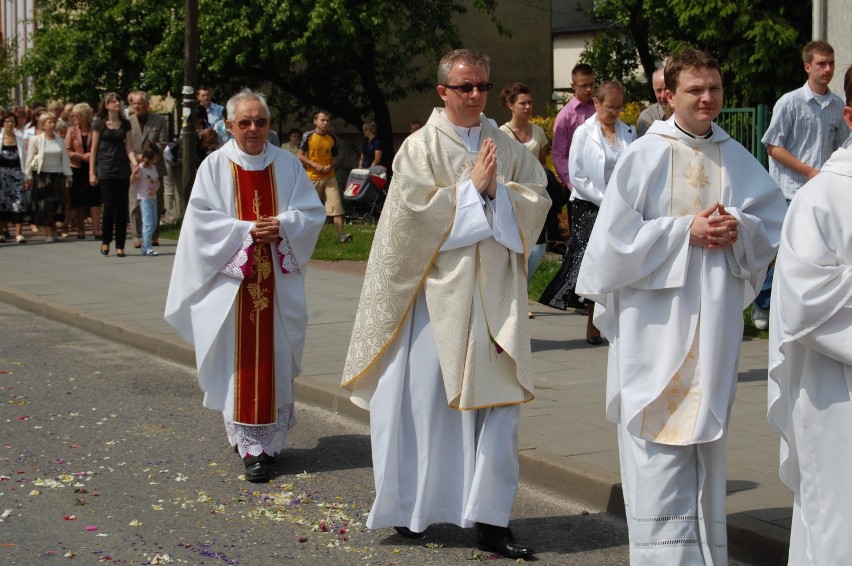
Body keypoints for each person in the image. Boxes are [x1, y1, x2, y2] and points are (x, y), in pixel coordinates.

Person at [575, 49, 786, 565]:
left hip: (712, 329)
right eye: (696, 89)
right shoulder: (645, 154)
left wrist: (740, 227)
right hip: (655, 330)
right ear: (669, 94)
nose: (708, 98)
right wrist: (683, 231)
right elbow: (610, 248)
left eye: (714, 87)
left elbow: (771, 223)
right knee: (658, 455)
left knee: (703, 452)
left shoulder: (734, 154)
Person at [342, 49, 550, 560]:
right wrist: (469, 193)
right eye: (465, 87)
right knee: (424, 408)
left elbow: (538, 195)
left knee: (499, 412)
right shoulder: (419, 148)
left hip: (496, 299)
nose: (475, 95)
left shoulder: (505, 143)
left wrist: (494, 194)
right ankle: (414, 510)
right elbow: (408, 225)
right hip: (436, 301)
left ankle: (492, 522)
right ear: (443, 92)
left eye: (481, 85)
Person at [165, 89, 325, 483]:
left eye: (261, 122)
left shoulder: (287, 164)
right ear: (230, 125)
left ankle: (269, 443)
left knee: (276, 356)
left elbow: (311, 213)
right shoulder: (215, 166)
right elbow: (200, 223)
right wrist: (248, 231)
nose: (254, 129)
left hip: (278, 284)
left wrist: (284, 225)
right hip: (233, 286)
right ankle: (252, 448)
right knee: (243, 362)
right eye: (245, 122)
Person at [767, 65, 852, 566]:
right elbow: (802, 300)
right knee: (838, 518)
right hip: (835, 392)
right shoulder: (823, 196)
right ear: (849, 114)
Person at [752, 40, 846, 330]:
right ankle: (763, 302)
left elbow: (842, 145)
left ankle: (802, 309)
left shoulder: (838, 105)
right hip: (790, 191)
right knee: (783, 248)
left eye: (831, 63)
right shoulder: (790, 102)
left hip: (822, 192)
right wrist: (807, 171)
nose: (827, 69)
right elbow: (772, 146)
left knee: (815, 253)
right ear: (807, 67)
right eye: (821, 64)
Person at [540, 81, 635, 343]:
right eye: (609, 107)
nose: (614, 113)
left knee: (617, 262)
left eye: (618, 107)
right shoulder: (584, 132)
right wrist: (606, 200)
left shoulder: (629, 132)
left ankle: (616, 317)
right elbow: (578, 176)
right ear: (596, 103)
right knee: (590, 261)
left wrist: (624, 200)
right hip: (589, 204)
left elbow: (634, 170)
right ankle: (591, 316)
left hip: (621, 205)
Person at [497, 82, 554, 318]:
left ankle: (521, 291)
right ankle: (517, 300)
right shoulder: (500, 133)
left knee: (538, 248)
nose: (528, 106)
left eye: (530, 102)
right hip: (512, 199)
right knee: (517, 250)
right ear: (511, 105)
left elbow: (541, 164)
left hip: (536, 200)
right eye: (523, 103)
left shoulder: (538, 132)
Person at [90, 92, 138, 257]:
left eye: (118, 100)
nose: (116, 103)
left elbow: (129, 147)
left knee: (121, 208)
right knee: (109, 207)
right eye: (113, 101)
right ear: (106, 105)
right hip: (105, 169)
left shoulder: (125, 124)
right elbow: (94, 149)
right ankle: (105, 240)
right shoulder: (100, 124)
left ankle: (120, 244)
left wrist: (134, 163)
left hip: (122, 169)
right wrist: (92, 172)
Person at [298, 110, 351, 243]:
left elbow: (335, 156)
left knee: (336, 206)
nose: (325, 123)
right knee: (308, 208)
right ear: (315, 121)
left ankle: (341, 235)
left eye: (327, 120)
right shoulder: (308, 136)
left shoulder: (332, 138)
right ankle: (305, 236)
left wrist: (331, 165)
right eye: (322, 120)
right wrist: (314, 165)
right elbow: (300, 155)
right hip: (312, 177)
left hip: (329, 177)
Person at [128, 91, 168, 250]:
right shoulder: (128, 121)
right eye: (134, 103)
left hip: (155, 166)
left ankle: (153, 235)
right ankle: (137, 236)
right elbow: (127, 143)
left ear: (147, 104)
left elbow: (163, 142)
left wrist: (148, 156)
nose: (137, 106)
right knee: (135, 202)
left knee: (155, 202)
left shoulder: (159, 120)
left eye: (140, 103)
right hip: (135, 166)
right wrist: (136, 158)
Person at [24, 112, 73, 242]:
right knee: (45, 204)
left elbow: (65, 159)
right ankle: (48, 233)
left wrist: (69, 176)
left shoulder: (60, 140)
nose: (52, 125)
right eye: (49, 122)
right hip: (42, 176)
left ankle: (54, 229)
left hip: (57, 175)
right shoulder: (36, 140)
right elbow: (29, 159)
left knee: (57, 203)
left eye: (53, 122)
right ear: (43, 125)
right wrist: (28, 176)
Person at [552, 63, 596, 189]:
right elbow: (559, 155)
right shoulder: (564, 116)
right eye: (583, 86)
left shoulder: (600, 109)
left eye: (591, 84)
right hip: (575, 182)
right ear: (573, 86)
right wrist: (571, 184)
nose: (588, 89)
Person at [65, 103, 100, 239]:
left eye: (76, 115)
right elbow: (66, 149)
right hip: (77, 168)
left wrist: (91, 156)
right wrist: (80, 156)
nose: (74, 118)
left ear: (84, 116)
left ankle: (96, 230)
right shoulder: (71, 130)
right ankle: (81, 229)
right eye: (73, 115)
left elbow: (98, 146)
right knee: (78, 200)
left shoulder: (95, 129)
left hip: (93, 167)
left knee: (95, 198)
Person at [0, 112, 27, 243]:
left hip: (17, 175)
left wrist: (28, 177)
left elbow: (26, 160)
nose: (9, 124)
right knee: (2, 203)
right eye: (7, 122)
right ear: (3, 124)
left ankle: (19, 233)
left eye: (12, 121)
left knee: (18, 202)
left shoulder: (20, 139)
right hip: (2, 175)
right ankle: (2, 232)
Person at [132, 141, 161, 256]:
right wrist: (133, 174)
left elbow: (157, 182)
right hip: (144, 199)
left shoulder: (153, 168)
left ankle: (145, 246)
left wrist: (155, 190)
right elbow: (133, 181)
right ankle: (147, 247)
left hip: (153, 198)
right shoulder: (141, 168)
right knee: (148, 224)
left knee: (153, 224)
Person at [636, 67, 669, 137]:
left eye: (666, 89)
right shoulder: (647, 118)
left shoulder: (688, 112)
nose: (663, 96)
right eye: (659, 91)